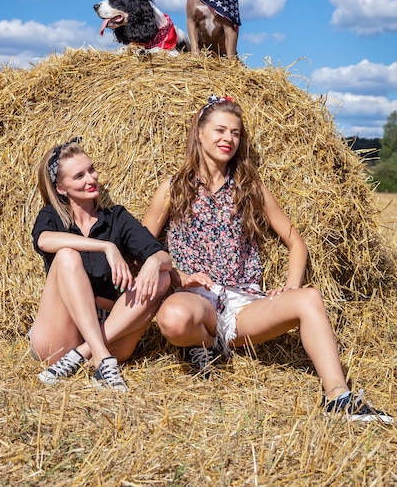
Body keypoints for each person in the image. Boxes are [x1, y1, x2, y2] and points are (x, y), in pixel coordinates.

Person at [143, 95, 393, 423]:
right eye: (219, 130)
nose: (227, 139)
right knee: (173, 319)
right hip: (196, 299)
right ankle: (205, 344)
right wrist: (177, 277)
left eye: (235, 133)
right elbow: (143, 248)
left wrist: (290, 286)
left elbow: (295, 241)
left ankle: (338, 398)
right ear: (199, 132)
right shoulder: (173, 188)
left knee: (309, 298)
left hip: (244, 304)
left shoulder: (250, 188)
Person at [31, 138, 172, 390]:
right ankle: (101, 359)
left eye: (92, 170)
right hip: (59, 337)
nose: (91, 179)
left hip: (110, 331)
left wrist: (152, 262)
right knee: (66, 256)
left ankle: (90, 355)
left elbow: (164, 257)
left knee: (162, 276)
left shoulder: (117, 217)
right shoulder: (51, 216)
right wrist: (107, 246)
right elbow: (44, 240)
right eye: (79, 176)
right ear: (61, 188)